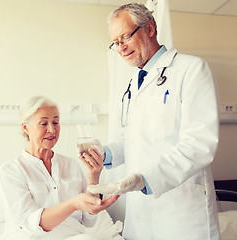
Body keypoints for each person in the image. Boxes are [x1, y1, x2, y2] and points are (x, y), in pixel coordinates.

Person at [87, 3, 220, 240]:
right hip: (141, 212)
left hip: (181, 211)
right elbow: (130, 138)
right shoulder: (132, 84)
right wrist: (104, 153)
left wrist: (146, 179)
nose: (121, 48)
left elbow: (199, 145)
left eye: (125, 37)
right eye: (115, 42)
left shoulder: (191, 69)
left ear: (149, 28)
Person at [0, 96, 120, 240]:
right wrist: (74, 204)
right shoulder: (11, 171)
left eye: (56, 122)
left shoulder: (71, 165)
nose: (52, 129)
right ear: (26, 127)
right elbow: (30, 223)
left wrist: (94, 175)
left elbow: (89, 221)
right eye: (43, 123)